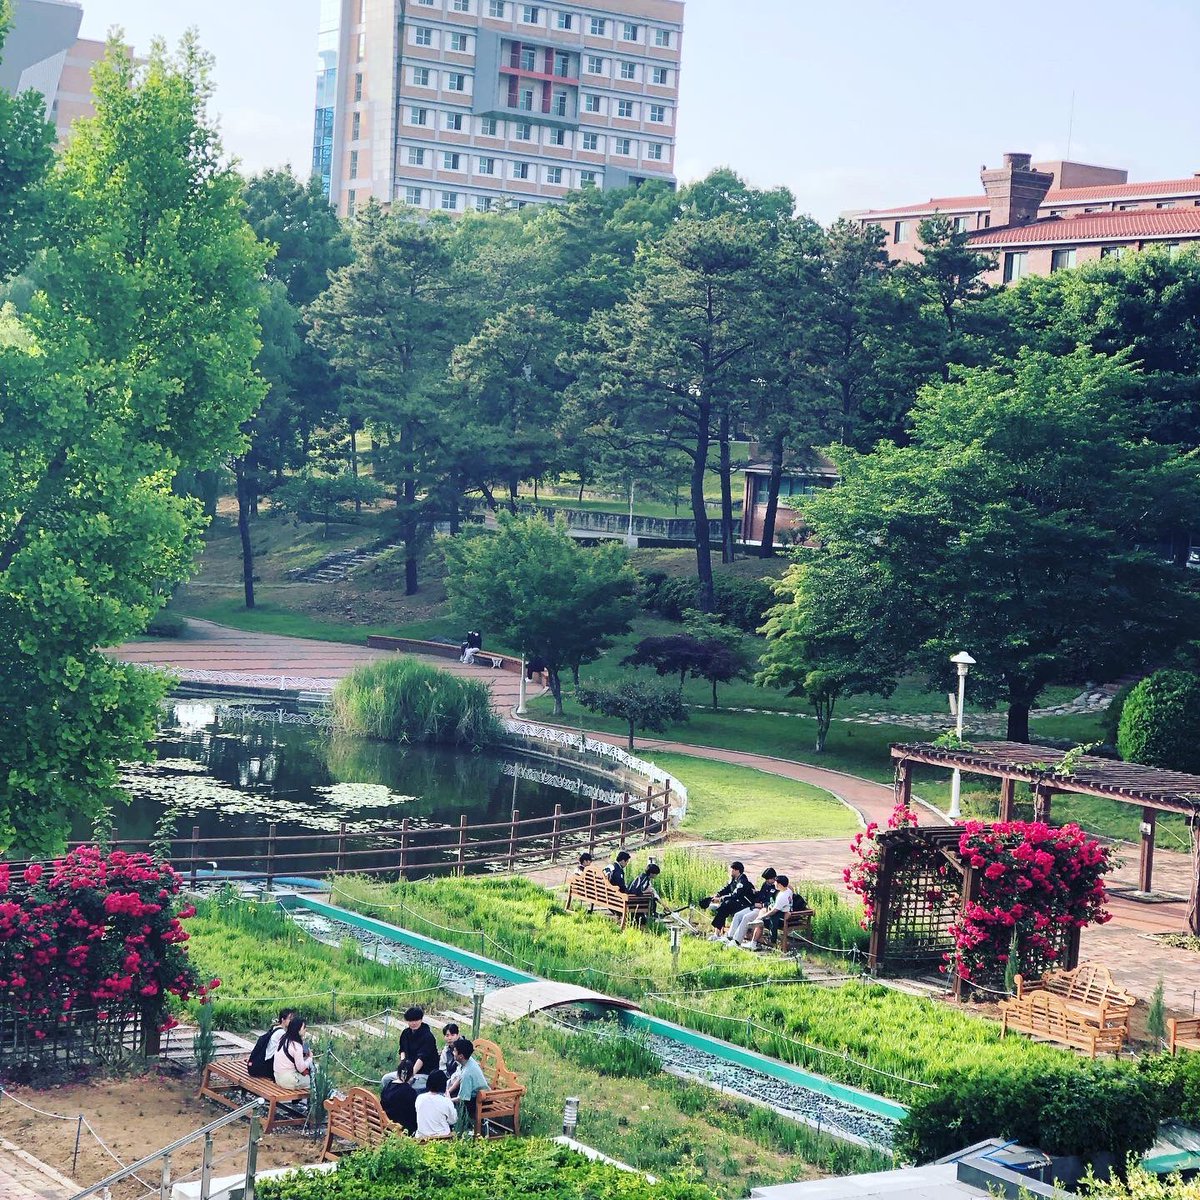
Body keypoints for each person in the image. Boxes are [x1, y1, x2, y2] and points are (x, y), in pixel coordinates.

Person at [723, 869, 777, 948]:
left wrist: (762, 905)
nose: (767, 881)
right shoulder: (765, 884)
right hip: (755, 906)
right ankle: (729, 936)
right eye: (766, 880)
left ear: (774, 878)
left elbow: (774, 903)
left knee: (746, 917)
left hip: (763, 910)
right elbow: (762, 894)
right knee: (738, 915)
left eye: (769, 879)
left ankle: (737, 941)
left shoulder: (777, 888)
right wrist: (756, 893)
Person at [703, 861, 756, 940]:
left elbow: (735, 895)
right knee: (724, 906)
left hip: (745, 904)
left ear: (737, 870)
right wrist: (718, 894)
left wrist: (720, 899)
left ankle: (720, 934)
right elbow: (727, 888)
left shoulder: (742, 881)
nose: (730, 872)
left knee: (725, 905)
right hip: (737, 902)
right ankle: (717, 933)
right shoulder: (734, 879)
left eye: (732, 870)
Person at [742, 874, 794, 951]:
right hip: (785, 912)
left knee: (760, 922)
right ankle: (755, 931)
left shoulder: (782, 896)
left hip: (781, 919)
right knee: (762, 912)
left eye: (775, 883)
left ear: (779, 884)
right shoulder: (788, 890)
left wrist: (762, 917)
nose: (774, 884)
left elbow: (774, 911)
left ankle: (753, 942)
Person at [448, 1037, 489, 1130]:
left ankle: (463, 1127)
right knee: (451, 1095)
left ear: (461, 1056)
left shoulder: (467, 1073)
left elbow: (462, 1099)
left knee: (454, 1106)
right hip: (477, 1094)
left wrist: (448, 1101)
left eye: (455, 1051)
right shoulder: (468, 1060)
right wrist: (448, 1091)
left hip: (481, 1100)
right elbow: (459, 1078)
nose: (453, 1053)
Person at [395, 1005, 438, 1090]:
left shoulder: (428, 1037)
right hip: (407, 1071)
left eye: (416, 1020)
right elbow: (402, 1050)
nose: (413, 1023)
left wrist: (410, 1075)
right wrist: (403, 1067)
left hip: (425, 1073)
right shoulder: (405, 1033)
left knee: (410, 1087)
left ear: (421, 1020)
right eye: (411, 1021)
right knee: (386, 1079)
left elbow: (422, 1058)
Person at [248, 1007, 295, 1079]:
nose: (292, 1021)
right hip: (266, 1067)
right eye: (289, 1019)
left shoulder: (275, 1028)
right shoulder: (281, 1033)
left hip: (259, 1065)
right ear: (283, 1020)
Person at [415, 1069, 457, 1140]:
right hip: (442, 1138)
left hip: (422, 1138)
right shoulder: (446, 1101)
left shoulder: (420, 1098)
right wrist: (449, 1100)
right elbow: (453, 1120)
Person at [272, 1016, 313, 1090]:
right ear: (297, 1029)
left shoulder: (283, 1039)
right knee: (316, 1080)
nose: (305, 1030)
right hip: (288, 1081)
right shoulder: (296, 1046)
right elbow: (301, 1068)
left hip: (277, 1077)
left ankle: (297, 1101)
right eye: (304, 1027)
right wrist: (310, 1058)